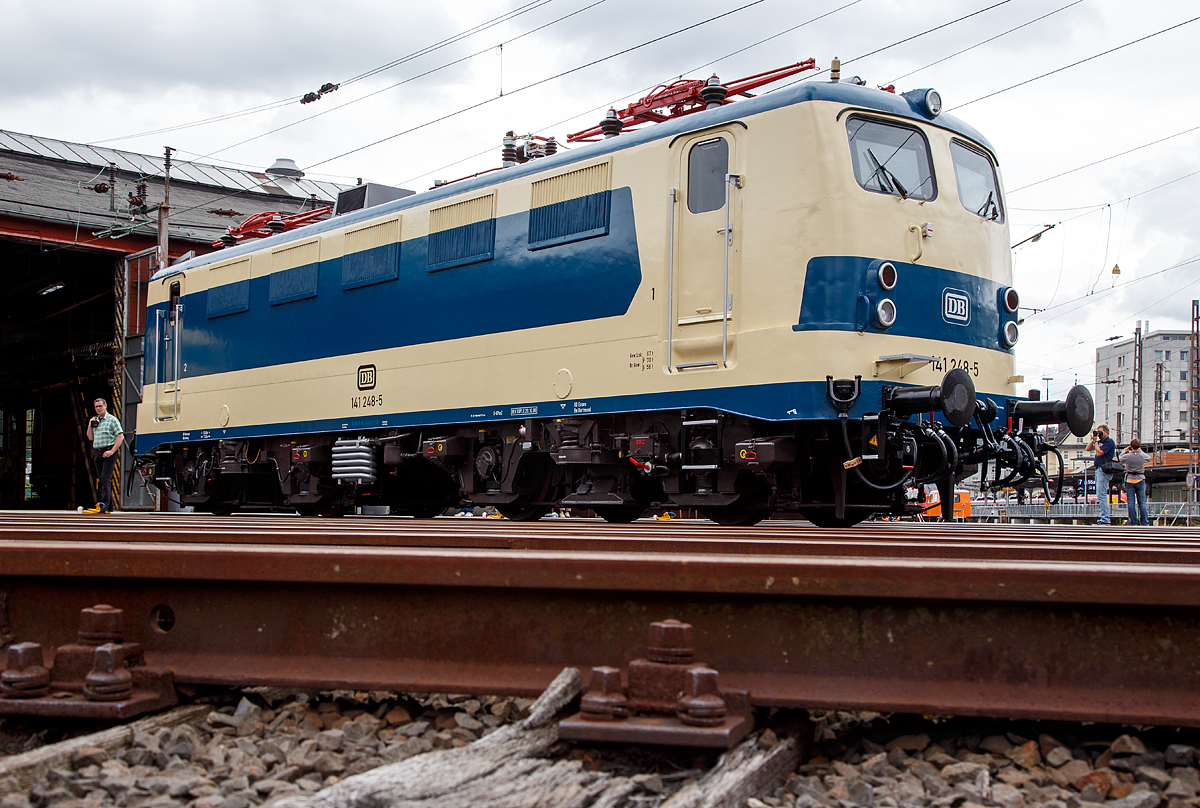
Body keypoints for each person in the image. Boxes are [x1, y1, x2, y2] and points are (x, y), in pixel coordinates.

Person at [84, 397, 123, 513]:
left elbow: (120, 436)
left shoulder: (112, 420)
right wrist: (90, 425)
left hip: (109, 451)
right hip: (98, 451)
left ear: (105, 406)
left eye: (100, 406)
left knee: (106, 478)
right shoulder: (95, 421)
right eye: (96, 407)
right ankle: (109, 506)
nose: (98, 408)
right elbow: (90, 437)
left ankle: (104, 504)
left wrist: (112, 451)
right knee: (102, 479)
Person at [1086, 424, 1117, 525]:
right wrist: (1094, 439)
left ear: (1107, 432)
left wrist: (1096, 442)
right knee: (1100, 494)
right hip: (1098, 469)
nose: (1099, 434)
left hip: (1104, 470)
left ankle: (1105, 518)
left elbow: (1099, 453)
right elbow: (1088, 448)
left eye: (1101, 432)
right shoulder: (1099, 442)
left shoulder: (1109, 442)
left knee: (1102, 495)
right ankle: (1105, 517)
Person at [1122, 438, 1152, 526]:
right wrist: (1141, 451)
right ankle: (1144, 522)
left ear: (1130, 446)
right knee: (1142, 502)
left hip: (1130, 479)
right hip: (1140, 478)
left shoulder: (1128, 455)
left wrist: (1124, 452)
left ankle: (1133, 522)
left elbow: (1120, 459)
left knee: (1131, 502)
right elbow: (1149, 458)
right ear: (1139, 446)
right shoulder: (1142, 455)